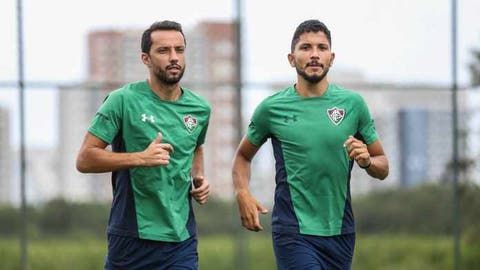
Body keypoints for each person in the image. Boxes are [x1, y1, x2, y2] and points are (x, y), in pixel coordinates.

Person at [232, 19, 389, 270]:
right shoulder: (272, 108)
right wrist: (243, 193)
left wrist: (367, 161)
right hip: (293, 230)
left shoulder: (353, 104)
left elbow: (383, 167)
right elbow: (242, 157)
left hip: (341, 231)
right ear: (291, 59)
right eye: (305, 48)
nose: (314, 54)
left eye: (321, 48)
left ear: (331, 57)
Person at [76, 20, 211, 270]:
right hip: (131, 239)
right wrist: (139, 158)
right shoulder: (122, 100)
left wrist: (199, 177)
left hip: (181, 239)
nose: (173, 58)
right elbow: (85, 159)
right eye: (163, 51)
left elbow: (196, 146)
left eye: (179, 50)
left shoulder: (200, 108)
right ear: (145, 59)